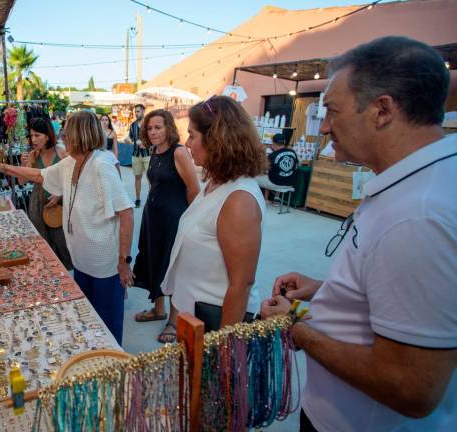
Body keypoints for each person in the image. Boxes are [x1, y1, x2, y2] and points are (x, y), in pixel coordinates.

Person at [260, 36, 456, 432]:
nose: (325, 126)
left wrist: (295, 329)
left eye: (331, 110)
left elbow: (411, 388)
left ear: (382, 109)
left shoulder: (416, 217)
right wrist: (328, 287)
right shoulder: (416, 185)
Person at [0, 111, 134, 344]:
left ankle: (111, 368)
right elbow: (39, 175)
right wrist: (3, 168)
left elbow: (126, 213)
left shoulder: (102, 165)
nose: (62, 136)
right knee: (89, 322)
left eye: (67, 132)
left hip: (104, 265)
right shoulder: (71, 163)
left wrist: (124, 261)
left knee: (107, 329)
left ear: (80, 135)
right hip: (82, 260)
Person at [161, 95, 268, 333]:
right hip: (194, 315)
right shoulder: (216, 182)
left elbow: (241, 284)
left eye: (193, 135)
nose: (187, 144)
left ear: (216, 141)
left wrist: (223, 346)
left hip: (216, 320)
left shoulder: (239, 200)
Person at [132, 109, 200, 343]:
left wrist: (189, 220)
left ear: (169, 128)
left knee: (172, 267)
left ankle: (173, 318)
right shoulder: (155, 151)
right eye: (149, 128)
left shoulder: (178, 152)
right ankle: (158, 309)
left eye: (158, 127)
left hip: (174, 219)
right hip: (153, 217)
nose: (153, 132)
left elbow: (194, 189)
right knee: (154, 261)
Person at [19, 118, 73, 269]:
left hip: (60, 204)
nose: (33, 139)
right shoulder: (33, 155)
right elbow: (22, 182)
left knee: (63, 243)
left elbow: (73, 179)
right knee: (42, 243)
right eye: (31, 136)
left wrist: (60, 194)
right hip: (38, 202)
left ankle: (67, 278)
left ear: (47, 136)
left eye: (37, 135)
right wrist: (24, 165)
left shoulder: (62, 152)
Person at [126, 104, 149, 207]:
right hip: (136, 155)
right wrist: (128, 140)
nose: (136, 113)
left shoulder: (149, 124)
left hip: (147, 154)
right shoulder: (133, 125)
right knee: (137, 178)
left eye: (138, 111)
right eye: (135, 112)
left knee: (151, 178)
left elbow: (154, 138)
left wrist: (146, 145)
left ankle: (151, 199)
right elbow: (130, 137)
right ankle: (138, 199)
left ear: (143, 111)